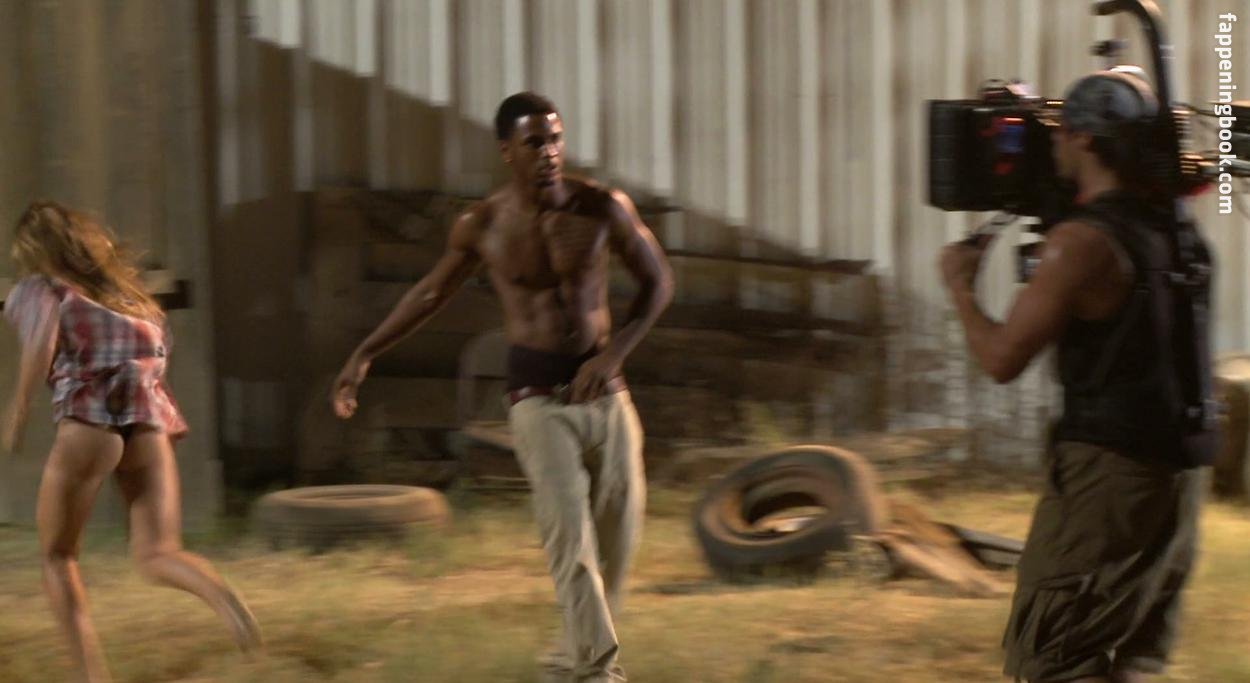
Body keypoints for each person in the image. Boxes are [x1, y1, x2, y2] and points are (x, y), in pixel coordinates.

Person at [331, 91, 673, 682]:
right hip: (537, 399)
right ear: (507, 152)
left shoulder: (602, 207)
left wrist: (614, 354)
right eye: (535, 142)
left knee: (618, 541)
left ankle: (568, 661)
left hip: (607, 392)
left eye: (556, 139)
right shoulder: (483, 225)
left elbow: (658, 282)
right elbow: (430, 293)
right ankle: (600, 674)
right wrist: (365, 353)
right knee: (570, 538)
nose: (550, 152)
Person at [939, 70, 1216, 683]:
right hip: (1177, 478)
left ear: (1086, 139)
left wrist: (960, 286)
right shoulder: (1174, 228)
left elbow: (1002, 360)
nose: (1052, 142)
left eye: (1060, 130)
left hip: (1108, 479)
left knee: (1053, 656)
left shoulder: (1081, 244)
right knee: (1131, 660)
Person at [1, 201, 262, 683]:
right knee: (158, 553)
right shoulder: (134, 301)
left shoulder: (42, 289)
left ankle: (91, 677)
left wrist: (17, 413)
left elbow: (40, 343)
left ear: (36, 250)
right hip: (147, 429)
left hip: (88, 428)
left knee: (57, 557)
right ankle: (219, 595)